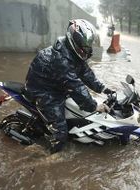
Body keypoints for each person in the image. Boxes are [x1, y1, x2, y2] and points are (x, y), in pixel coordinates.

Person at [24, 19, 113, 153]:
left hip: (56, 87)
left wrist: (102, 88)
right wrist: (94, 106)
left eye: (88, 44)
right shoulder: (60, 59)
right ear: (74, 41)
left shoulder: (72, 54)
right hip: (44, 92)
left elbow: (86, 73)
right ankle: (51, 156)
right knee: (61, 132)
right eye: (84, 44)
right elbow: (76, 87)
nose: (87, 47)